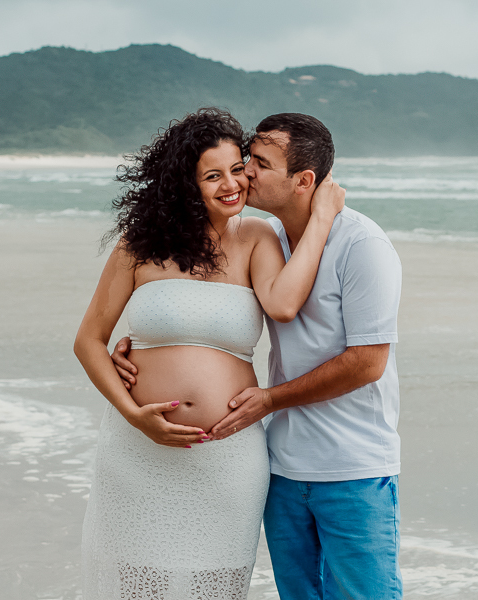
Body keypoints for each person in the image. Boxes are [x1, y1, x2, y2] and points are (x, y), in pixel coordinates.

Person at [113, 113, 403, 599]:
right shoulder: (268, 237)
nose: (244, 173)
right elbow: (211, 306)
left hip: (351, 466)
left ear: (303, 181)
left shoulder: (363, 245)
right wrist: (144, 341)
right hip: (282, 464)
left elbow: (367, 362)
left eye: (258, 164)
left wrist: (269, 399)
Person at [74, 108, 344, 600]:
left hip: (227, 455)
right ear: (185, 184)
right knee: (137, 585)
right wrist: (135, 415)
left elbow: (283, 305)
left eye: (237, 168)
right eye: (212, 175)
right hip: (139, 452)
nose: (231, 184)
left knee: (214, 585)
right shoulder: (139, 246)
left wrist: (322, 217)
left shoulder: (257, 237)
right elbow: (88, 340)